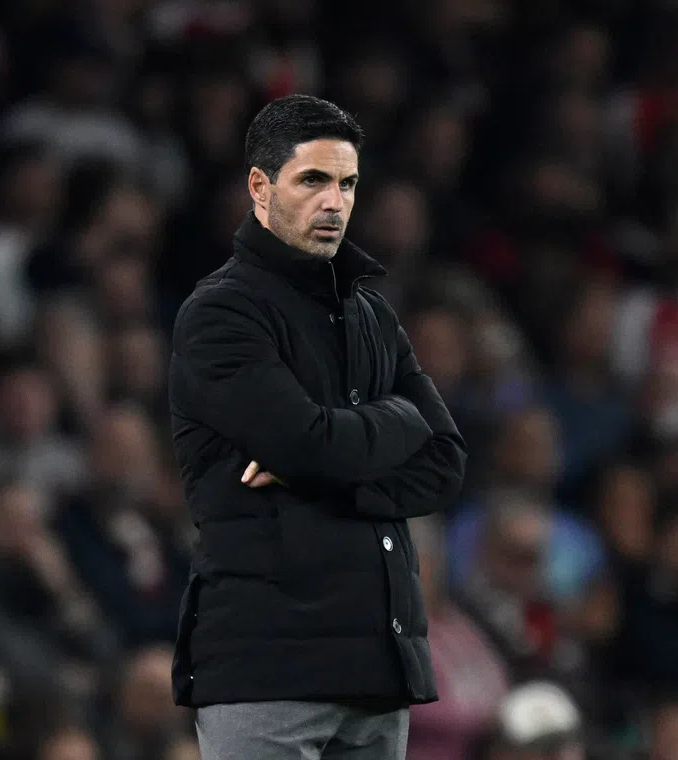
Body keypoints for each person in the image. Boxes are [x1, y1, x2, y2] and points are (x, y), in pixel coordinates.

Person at [167, 94, 468, 760]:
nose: (334, 202)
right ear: (259, 187)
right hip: (268, 668)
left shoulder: (371, 315)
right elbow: (305, 442)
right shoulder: (222, 313)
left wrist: (331, 471)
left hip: (378, 670)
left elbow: (445, 461)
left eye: (347, 183)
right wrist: (393, 422)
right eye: (313, 180)